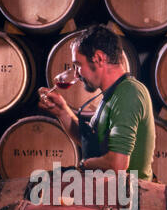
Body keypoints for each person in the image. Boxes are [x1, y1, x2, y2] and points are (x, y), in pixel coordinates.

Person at [38, 24, 155, 181]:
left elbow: (116, 165)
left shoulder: (129, 93)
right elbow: (94, 145)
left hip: (130, 196)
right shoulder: (112, 93)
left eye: (78, 65)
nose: (77, 74)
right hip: (110, 191)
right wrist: (62, 110)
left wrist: (83, 165)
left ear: (99, 58)